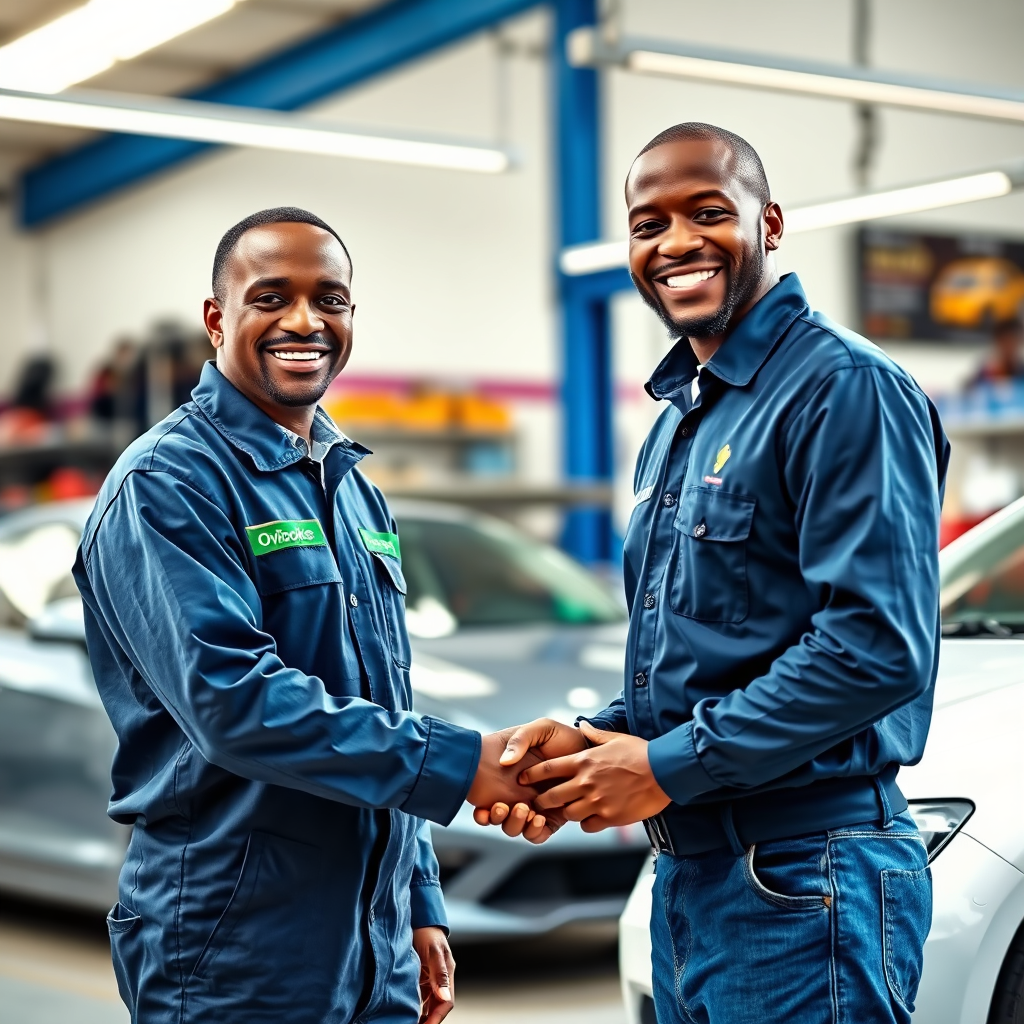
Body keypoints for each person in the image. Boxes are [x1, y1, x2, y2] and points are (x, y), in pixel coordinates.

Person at [478, 125, 950, 1024]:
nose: (676, 244)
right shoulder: (677, 424)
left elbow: (876, 648)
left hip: (807, 879)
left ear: (768, 224)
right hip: (695, 875)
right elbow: (721, 649)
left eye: (708, 212)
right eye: (648, 224)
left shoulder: (843, 388)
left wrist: (663, 764)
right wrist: (597, 741)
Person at [73, 207, 549, 1024]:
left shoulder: (351, 486)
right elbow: (234, 703)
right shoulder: (168, 482)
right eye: (271, 297)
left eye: (330, 299)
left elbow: (384, 699)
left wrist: (419, 898)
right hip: (235, 939)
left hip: (374, 936)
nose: (305, 321)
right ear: (218, 319)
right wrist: (467, 763)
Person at [969, 315, 1024, 386]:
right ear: (997, 342)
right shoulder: (987, 370)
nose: (1009, 347)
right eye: (1005, 342)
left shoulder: (1021, 369)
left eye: (1013, 342)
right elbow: (972, 388)